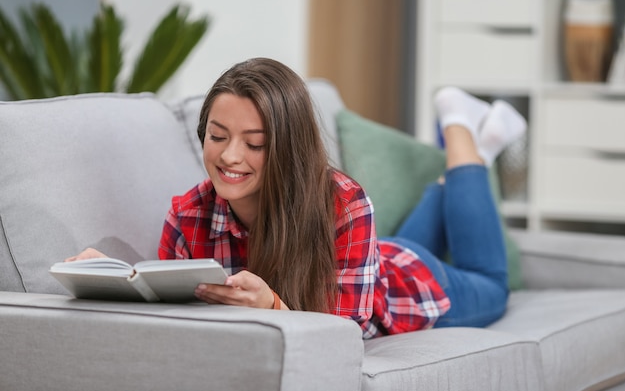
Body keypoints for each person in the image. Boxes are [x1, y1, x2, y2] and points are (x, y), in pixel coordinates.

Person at [68, 58, 526, 338]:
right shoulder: (187, 215)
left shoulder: (344, 203)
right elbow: (171, 317)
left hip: (407, 286)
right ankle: (460, 168)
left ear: (288, 146)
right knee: (391, 245)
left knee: (491, 280)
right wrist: (110, 281)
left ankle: (463, 130)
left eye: (255, 143)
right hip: (366, 259)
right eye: (217, 135)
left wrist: (272, 308)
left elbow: (343, 335)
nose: (230, 156)